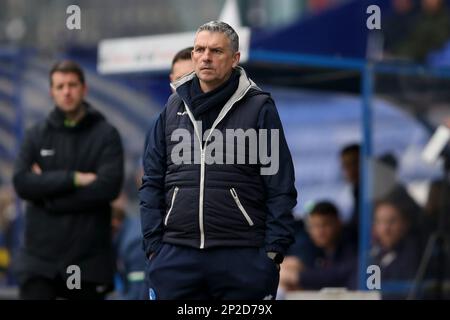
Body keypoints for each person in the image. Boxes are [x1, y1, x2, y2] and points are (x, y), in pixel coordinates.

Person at [140, 21, 297, 300]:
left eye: (216, 50)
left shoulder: (260, 107)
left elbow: (280, 185)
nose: (206, 57)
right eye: (199, 49)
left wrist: (272, 253)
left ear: (235, 58)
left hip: (243, 257)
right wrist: (154, 247)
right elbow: (151, 181)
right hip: (176, 256)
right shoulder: (171, 109)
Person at [12, 60, 124, 300]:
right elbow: (22, 182)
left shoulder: (106, 134)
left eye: (72, 85)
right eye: (60, 86)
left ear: (84, 89)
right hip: (39, 263)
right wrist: (74, 179)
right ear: (51, 91)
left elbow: (108, 187)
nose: (66, 91)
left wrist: (48, 197)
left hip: (88, 262)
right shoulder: (36, 135)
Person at [279, 201, 357, 294]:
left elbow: (337, 275)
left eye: (325, 225)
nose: (320, 231)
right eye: (315, 226)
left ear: (338, 224)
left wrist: (296, 277)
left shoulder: (350, 248)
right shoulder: (315, 251)